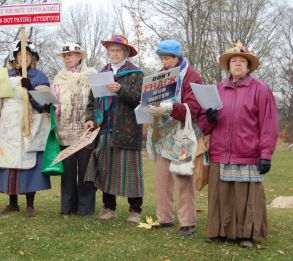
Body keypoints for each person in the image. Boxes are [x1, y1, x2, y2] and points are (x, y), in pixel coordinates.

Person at [198, 42, 279, 248]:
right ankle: (219, 232)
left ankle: (246, 235)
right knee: (221, 197)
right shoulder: (216, 90)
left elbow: (269, 124)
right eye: (234, 61)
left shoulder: (261, 90)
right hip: (220, 153)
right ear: (228, 66)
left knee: (247, 198)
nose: (238, 64)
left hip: (248, 152)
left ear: (248, 67)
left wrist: (266, 154)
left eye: (242, 62)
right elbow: (203, 125)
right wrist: (210, 118)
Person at [84, 34, 144, 223]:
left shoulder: (136, 74)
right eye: (111, 50)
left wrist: (121, 90)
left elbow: (139, 99)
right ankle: (109, 207)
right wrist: (90, 119)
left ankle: (135, 210)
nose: (114, 53)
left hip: (127, 130)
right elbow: (91, 102)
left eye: (118, 50)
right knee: (106, 169)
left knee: (130, 171)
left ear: (126, 53)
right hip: (104, 129)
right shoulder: (101, 74)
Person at [146, 40, 203, 236]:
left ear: (178, 57)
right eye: (162, 58)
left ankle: (188, 223)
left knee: (182, 176)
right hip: (162, 134)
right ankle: (164, 218)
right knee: (162, 179)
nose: (165, 61)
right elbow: (150, 98)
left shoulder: (191, 76)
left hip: (181, 133)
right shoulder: (160, 76)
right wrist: (149, 108)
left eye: (168, 58)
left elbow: (194, 107)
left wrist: (170, 107)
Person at [0, 40, 51, 218]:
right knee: (10, 163)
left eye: (28, 55)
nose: (23, 58)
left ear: (33, 58)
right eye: (19, 55)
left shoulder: (39, 77)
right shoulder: (6, 75)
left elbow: (43, 106)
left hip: (28, 124)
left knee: (28, 164)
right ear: (15, 57)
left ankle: (30, 205)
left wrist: (30, 88)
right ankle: (12, 203)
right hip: (8, 126)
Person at [51, 43, 97, 216]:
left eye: (70, 55)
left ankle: (85, 209)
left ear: (80, 56)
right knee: (68, 172)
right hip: (65, 131)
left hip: (86, 131)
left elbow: (98, 100)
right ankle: (68, 207)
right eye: (64, 56)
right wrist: (53, 109)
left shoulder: (92, 75)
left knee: (85, 171)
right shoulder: (58, 78)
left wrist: (95, 121)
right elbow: (54, 101)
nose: (67, 58)